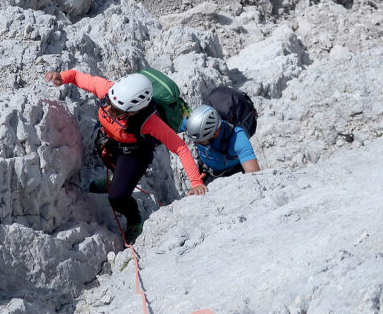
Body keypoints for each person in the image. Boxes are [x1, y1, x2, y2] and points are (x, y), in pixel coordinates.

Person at [44, 69, 207, 242]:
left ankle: (134, 219)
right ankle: (115, 178)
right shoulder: (108, 90)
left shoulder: (151, 122)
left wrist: (196, 183)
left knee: (117, 197)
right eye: (108, 103)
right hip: (111, 142)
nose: (108, 108)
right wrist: (62, 77)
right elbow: (77, 76)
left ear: (134, 111)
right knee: (105, 154)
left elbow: (180, 147)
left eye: (116, 111)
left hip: (135, 155)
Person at [182, 105, 260, 183]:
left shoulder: (237, 138)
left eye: (201, 141)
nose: (196, 143)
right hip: (207, 172)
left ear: (215, 134)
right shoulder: (192, 122)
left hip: (234, 175)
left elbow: (253, 174)